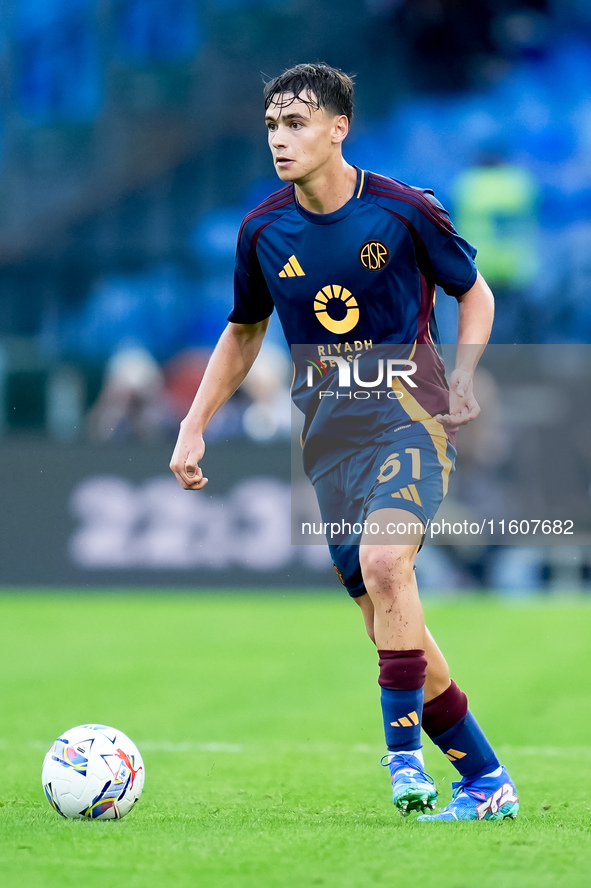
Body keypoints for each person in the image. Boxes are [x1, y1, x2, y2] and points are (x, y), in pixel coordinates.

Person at [170, 63, 519, 822]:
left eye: (295, 124)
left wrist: (461, 375)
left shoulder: (402, 212)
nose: (279, 139)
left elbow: (474, 291)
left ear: (338, 129)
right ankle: (486, 781)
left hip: (409, 418)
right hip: (328, 444)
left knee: (386, 561)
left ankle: (401, 765)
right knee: (392, 623)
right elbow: (242, 331)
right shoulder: (263, 229)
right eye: (270, 126)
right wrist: (194, 424)